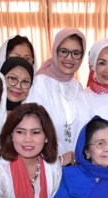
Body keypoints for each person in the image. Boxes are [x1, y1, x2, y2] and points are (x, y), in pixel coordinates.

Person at [26, 28, 86, 166]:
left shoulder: (78, 87)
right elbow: (34, 129)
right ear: (55, 51)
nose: (69, 58)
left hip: (76, 166)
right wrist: (59, 160)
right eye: (64, 51)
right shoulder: (39, 83)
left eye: (76, 53)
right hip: (47, 165)